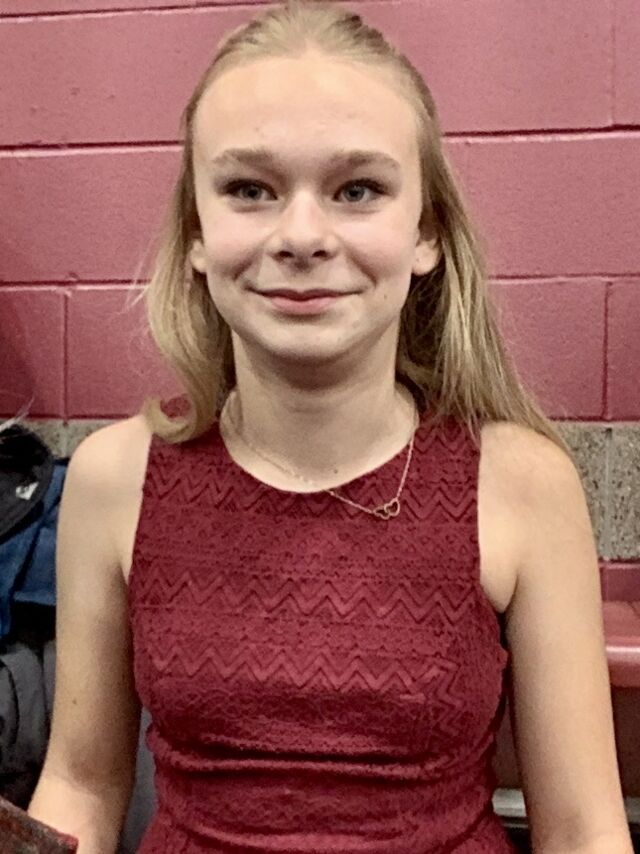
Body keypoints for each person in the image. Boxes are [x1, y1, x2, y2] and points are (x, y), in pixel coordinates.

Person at [26, 0, 633, 851]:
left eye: (357, 191)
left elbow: (581, 829)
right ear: (196, 234)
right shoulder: (112, 477)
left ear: (425, 232)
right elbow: (83, 786)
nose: (302, 236)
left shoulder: (524, 484)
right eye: (249, 190)